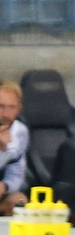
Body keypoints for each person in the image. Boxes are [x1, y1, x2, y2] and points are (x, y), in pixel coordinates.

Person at [0, 81, 29, 216]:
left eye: (11, 107)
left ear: (19, 109)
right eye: (1, 107)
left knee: (18, 201)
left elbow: (17, 172)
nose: (5, 114)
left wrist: (5, 186)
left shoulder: (20, 132)